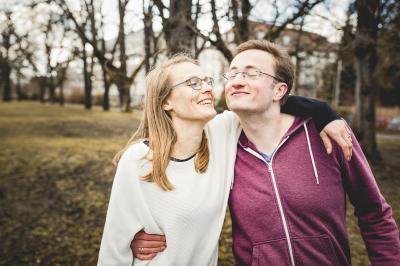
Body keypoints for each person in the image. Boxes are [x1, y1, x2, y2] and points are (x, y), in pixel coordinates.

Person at [131, 40, 400, 265]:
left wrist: (323, 111)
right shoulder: (221, 146)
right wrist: (146, 233)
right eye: (233, 73)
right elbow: (184, 192)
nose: (237, 81)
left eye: (250, 73)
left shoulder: (328, 135)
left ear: (279, 90)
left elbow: (374, 214)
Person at [98, 53, 351, 266]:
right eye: (193, 83)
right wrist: (132, 240)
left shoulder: (223, 133)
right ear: (165, 101)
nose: (207, 87)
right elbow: (113, 250)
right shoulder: (138, 160)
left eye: (206, 80)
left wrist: (323, 112)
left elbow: (264, 99)